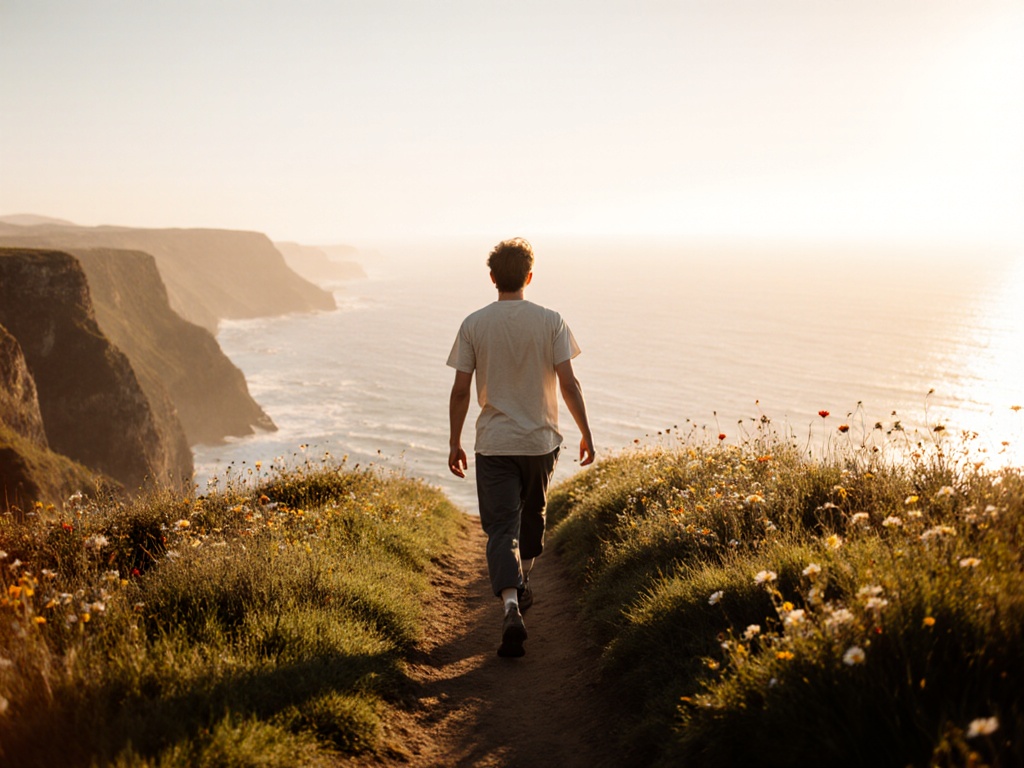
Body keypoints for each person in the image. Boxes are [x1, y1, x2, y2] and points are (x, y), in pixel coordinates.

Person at [447, 237, 595, 658]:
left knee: (500, 528)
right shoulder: (552, 321)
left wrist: (455, 440)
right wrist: (586, 431)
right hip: (540, 441)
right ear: (529, 276)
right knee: (532, 515)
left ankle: (511, 604)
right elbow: (569, 383)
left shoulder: (474, 324)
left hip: (494, 443)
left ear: (492, 278)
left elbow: (460, 391)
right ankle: (524, 581)